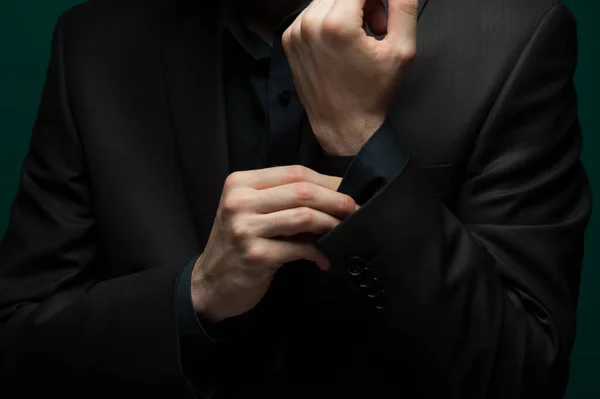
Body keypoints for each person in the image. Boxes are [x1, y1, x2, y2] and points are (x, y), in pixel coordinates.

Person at [0, 0, 592, 397]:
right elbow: (20, 347)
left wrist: (361, 137)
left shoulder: (512, 38)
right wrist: (196, 295)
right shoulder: (97, 43)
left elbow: (525, 375)